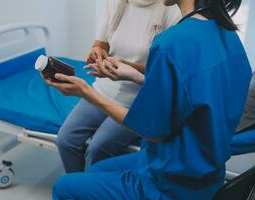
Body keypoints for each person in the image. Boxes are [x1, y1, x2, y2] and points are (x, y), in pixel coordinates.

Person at [47, 0, 252, 199]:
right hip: (206, 173)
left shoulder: (170, 43)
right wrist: (135, 76)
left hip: (169, 184)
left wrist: (86, 92)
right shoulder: (228, 33)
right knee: (97, 168)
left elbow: (152, 133)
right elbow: (196, 90)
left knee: (64, 187)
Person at [56, 0, 181, 173]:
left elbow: (165, 71)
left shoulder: (171, 9)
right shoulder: (115, 3)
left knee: (96, 149)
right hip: (104, 89)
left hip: (138, 101)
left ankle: (93, 191)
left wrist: (126, 68)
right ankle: (77, 188)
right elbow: (101, 43)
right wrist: (97, 51)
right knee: (65, 139)